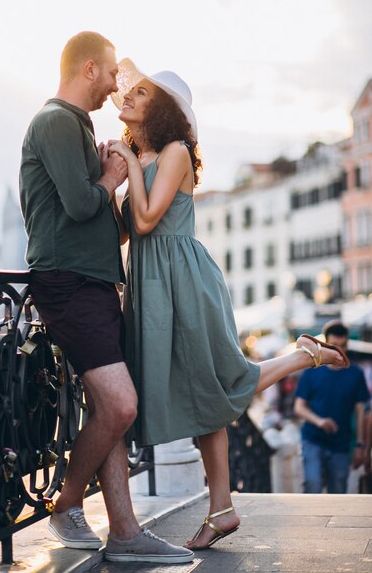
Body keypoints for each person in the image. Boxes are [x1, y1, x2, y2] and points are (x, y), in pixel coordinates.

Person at [106, 58, 350, 550]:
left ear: (166, 110)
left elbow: (150, 220)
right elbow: (127, 230)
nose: (128, 96)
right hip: (152, 285)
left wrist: (129, 166)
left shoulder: (175, 150)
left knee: (215, 385)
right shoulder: (147, 155)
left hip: (183, 281)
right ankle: (222, 508)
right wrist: (112, 180)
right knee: (205, 393)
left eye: (142, 93)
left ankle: (302, 357)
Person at [19, 32, 193, 564]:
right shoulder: (54, 122)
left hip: (93, 281)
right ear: (89, 68)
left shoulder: (79, 125)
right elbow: (77, 204)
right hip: (68, 283)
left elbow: (103, 223)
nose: (118, 84)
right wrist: (113, 178)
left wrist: (113, 186)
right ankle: (65, 504)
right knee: (120, 405)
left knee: (107, 410)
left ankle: (125, 531)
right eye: (113, 72)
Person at [294, 320, 370, 494]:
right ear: (325, 344)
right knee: (312, 485)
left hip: (341, 444)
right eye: (335, 345)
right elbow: (299, 407)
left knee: (338, 492)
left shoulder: (356, 374)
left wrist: (360, 445)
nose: (340, 351)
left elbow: (361, 412)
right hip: (313, 439)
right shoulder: (311, 371)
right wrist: (319, 421)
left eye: (343, 345)